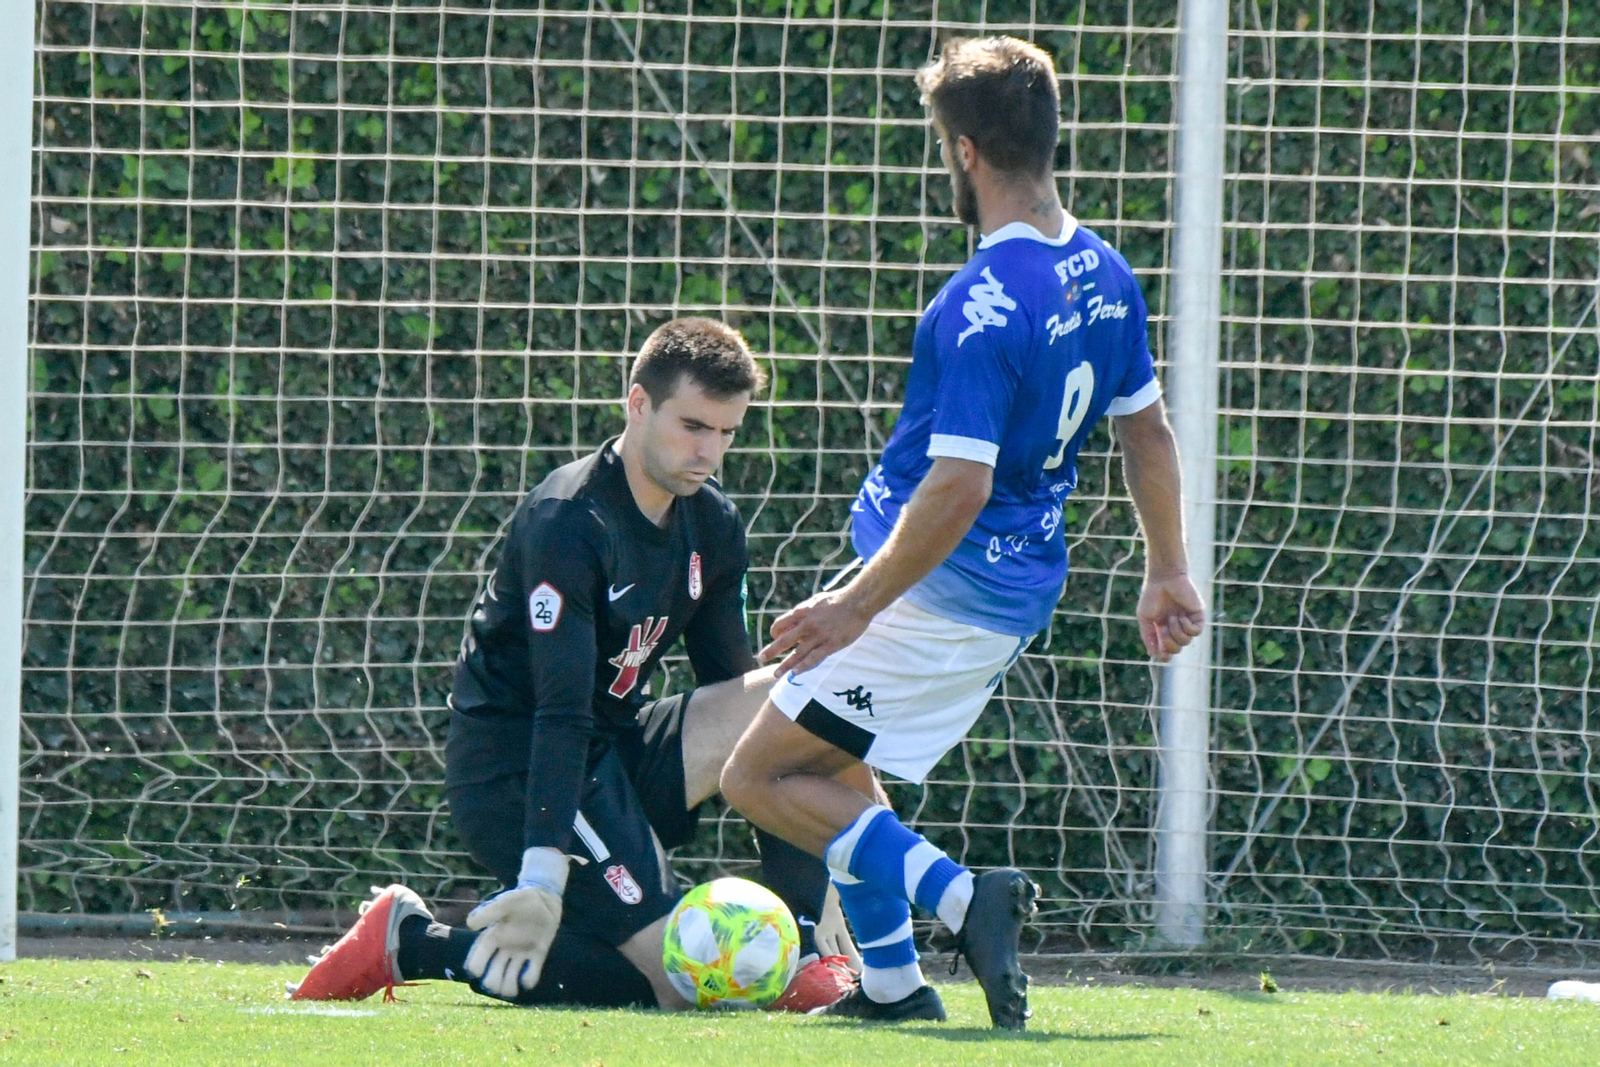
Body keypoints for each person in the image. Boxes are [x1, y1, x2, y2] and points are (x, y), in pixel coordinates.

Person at [719, 36, 1206, 1030]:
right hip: (1002, 588)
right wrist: (1168, 567)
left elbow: (959, 485)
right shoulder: (1105, 272)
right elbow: (1147, 431)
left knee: (759, 776)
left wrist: (854, 607)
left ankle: (962, 895)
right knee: (838, 766)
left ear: (966, 151)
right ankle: (892, 986)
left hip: (934, 591)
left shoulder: (979, 305)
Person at [289, 317, 857, 1011]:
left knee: (787, 697)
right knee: (679, 987)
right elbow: (559, 710)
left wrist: (820, 866)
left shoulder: (711, 521)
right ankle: (416, 941)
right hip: (519, 768)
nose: (710, 450)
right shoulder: (569, 521)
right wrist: (543, 875)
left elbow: (741, 698)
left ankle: (812, 944)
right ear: (638, 403)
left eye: (727, 431)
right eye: (693, 425)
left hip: (612, 749)